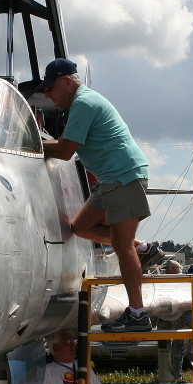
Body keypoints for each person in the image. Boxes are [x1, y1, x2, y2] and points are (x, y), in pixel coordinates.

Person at [38, 58, 163, 332]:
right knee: (80, 227)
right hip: (110, 180)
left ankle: (138, 315)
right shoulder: (82, 101)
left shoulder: (83, 104)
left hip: (124, 176)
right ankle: (143, 248)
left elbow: (65, 151)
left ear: (66, 82)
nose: (47, 94)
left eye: (50, 88)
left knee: (121, 245)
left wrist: (30, 144)